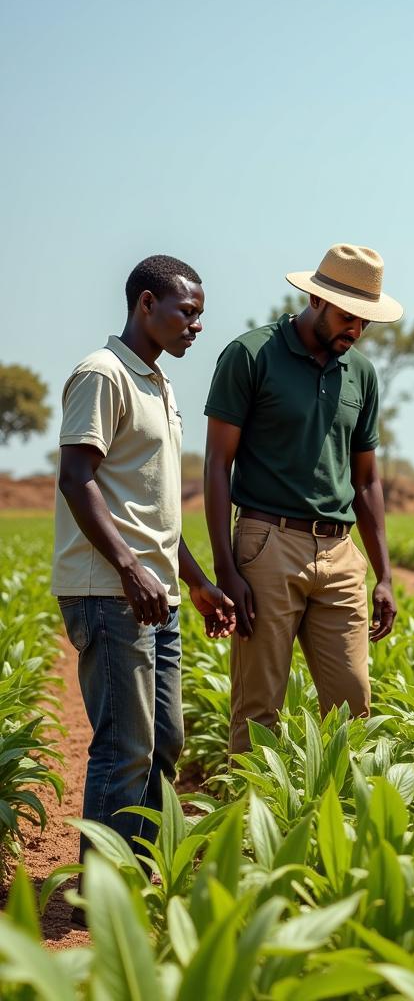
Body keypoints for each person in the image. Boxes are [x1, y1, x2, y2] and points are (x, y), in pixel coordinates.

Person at [53, 254, 235, 860]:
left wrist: (200, 583)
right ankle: (104, 886)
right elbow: (78, 478)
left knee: (165, 742)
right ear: (145, 305)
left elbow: (153, 507)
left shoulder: (157, 381)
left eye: (200, 315)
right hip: (109, 591)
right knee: (124, 746)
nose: (197, 326)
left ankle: (142, 865)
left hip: (158, 591)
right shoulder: (103, 373)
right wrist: (131, 568)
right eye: (188, 312)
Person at [204, 243, 399, 754]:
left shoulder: (362, 373)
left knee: (354, 704)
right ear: (316, 299)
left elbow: (367, 482)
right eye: (347, 317)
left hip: (339, 554)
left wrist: (384, 576)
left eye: (365, 322)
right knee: (259, 708)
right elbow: (216, 466)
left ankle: (343, 827)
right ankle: (251, 830)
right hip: (267, 543)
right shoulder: (250, 355)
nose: (355, 330)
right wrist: (227, 570)